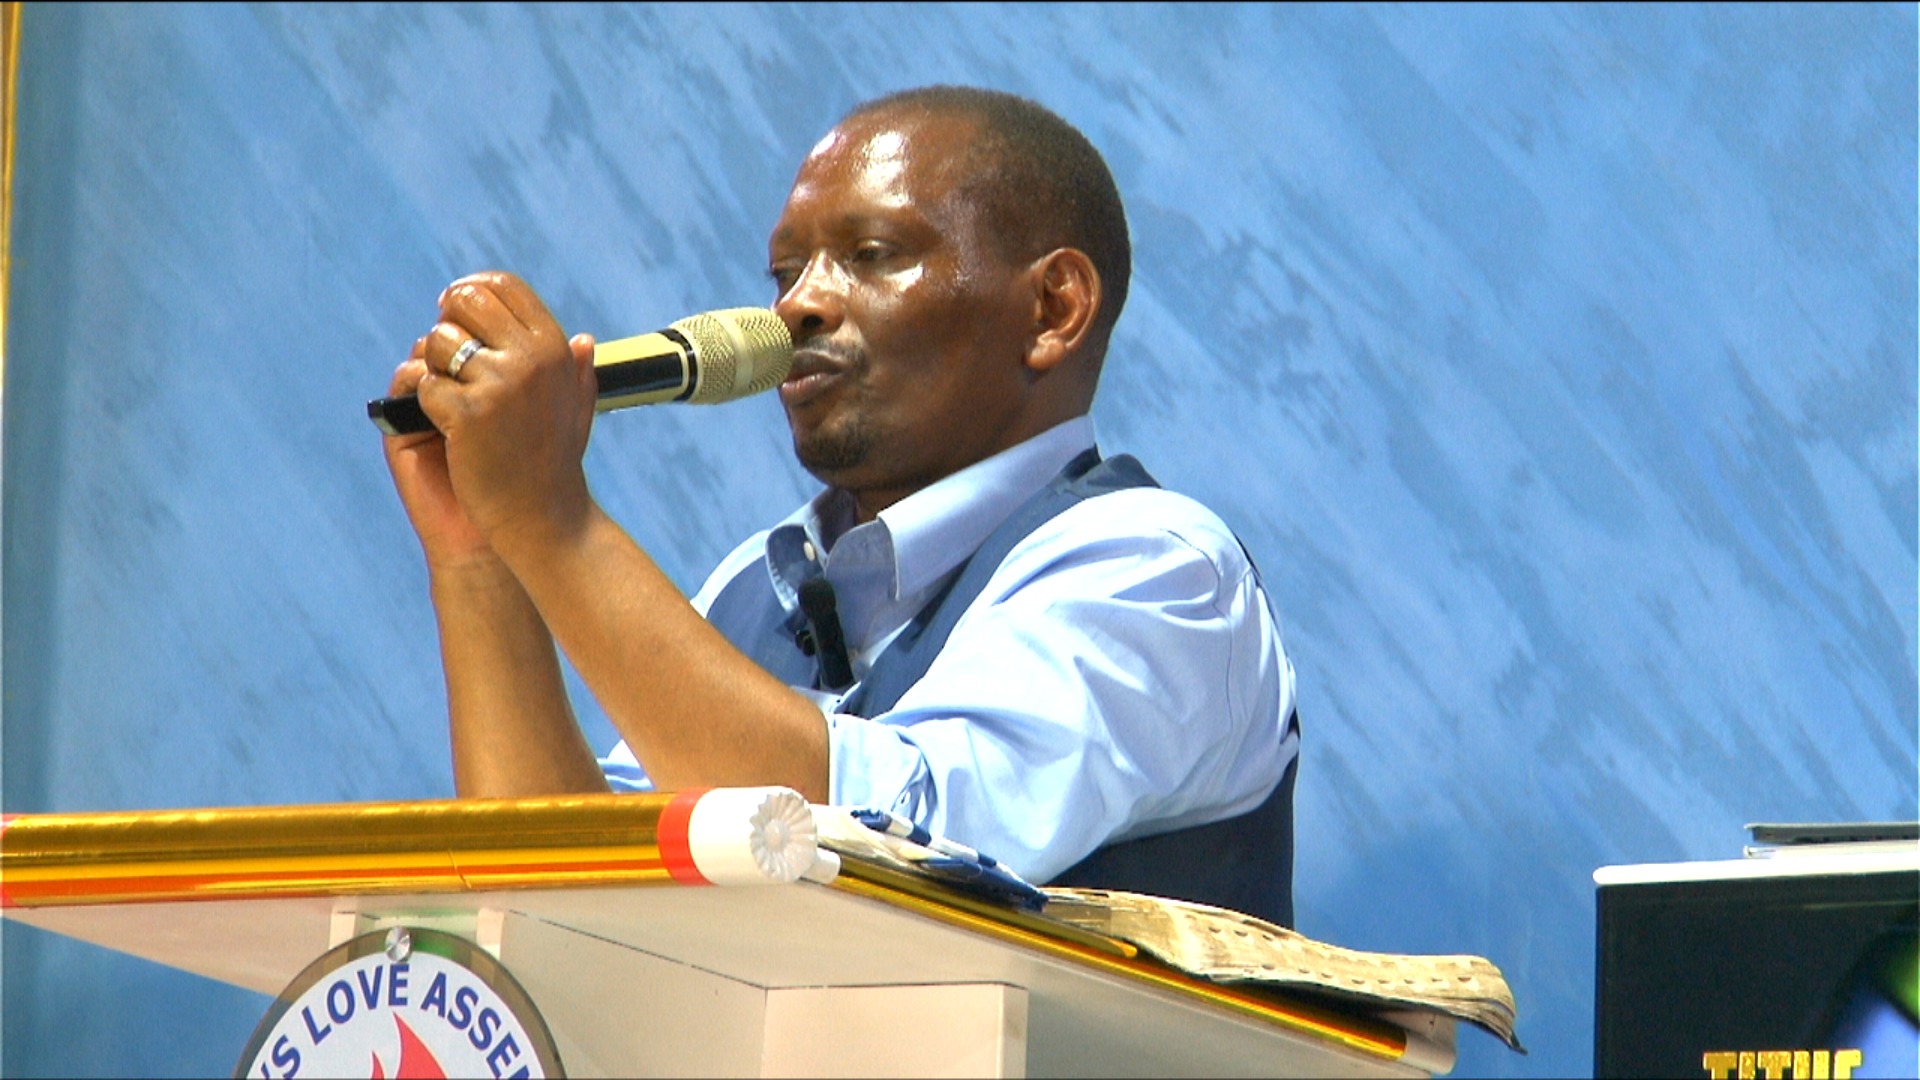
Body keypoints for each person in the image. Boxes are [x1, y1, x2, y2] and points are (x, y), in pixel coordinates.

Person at [380, 85, 1302, 925]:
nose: (799, 307)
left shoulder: (1155, 569)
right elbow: (567, 907)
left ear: (1053, 308)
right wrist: (480, 556)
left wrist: (553, 522)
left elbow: (876, 863)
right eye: (785, 273)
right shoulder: (756, 582)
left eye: (871, 255)